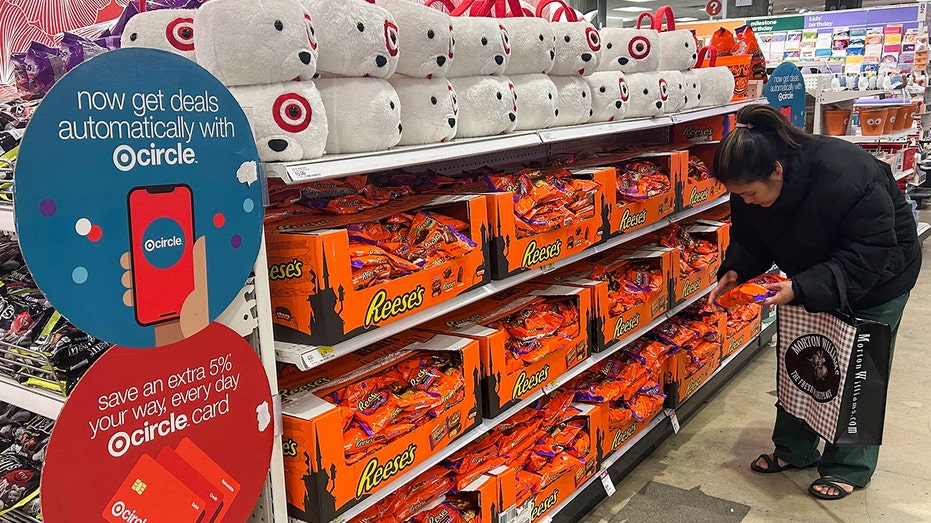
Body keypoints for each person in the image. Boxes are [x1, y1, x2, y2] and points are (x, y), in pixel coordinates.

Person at [707, 104, 921, 500]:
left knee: (858, 369)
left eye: (751, 194)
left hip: (880, 277)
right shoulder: (748, 183)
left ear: (777, 170)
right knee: (801, 360)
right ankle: (795, 449)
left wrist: (802, 288)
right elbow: (751, 237)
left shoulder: (847, 174)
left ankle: (848, 465)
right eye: (739, 196)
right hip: (807, 275)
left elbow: (869, 253)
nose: (746, 202)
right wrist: (737, 269)